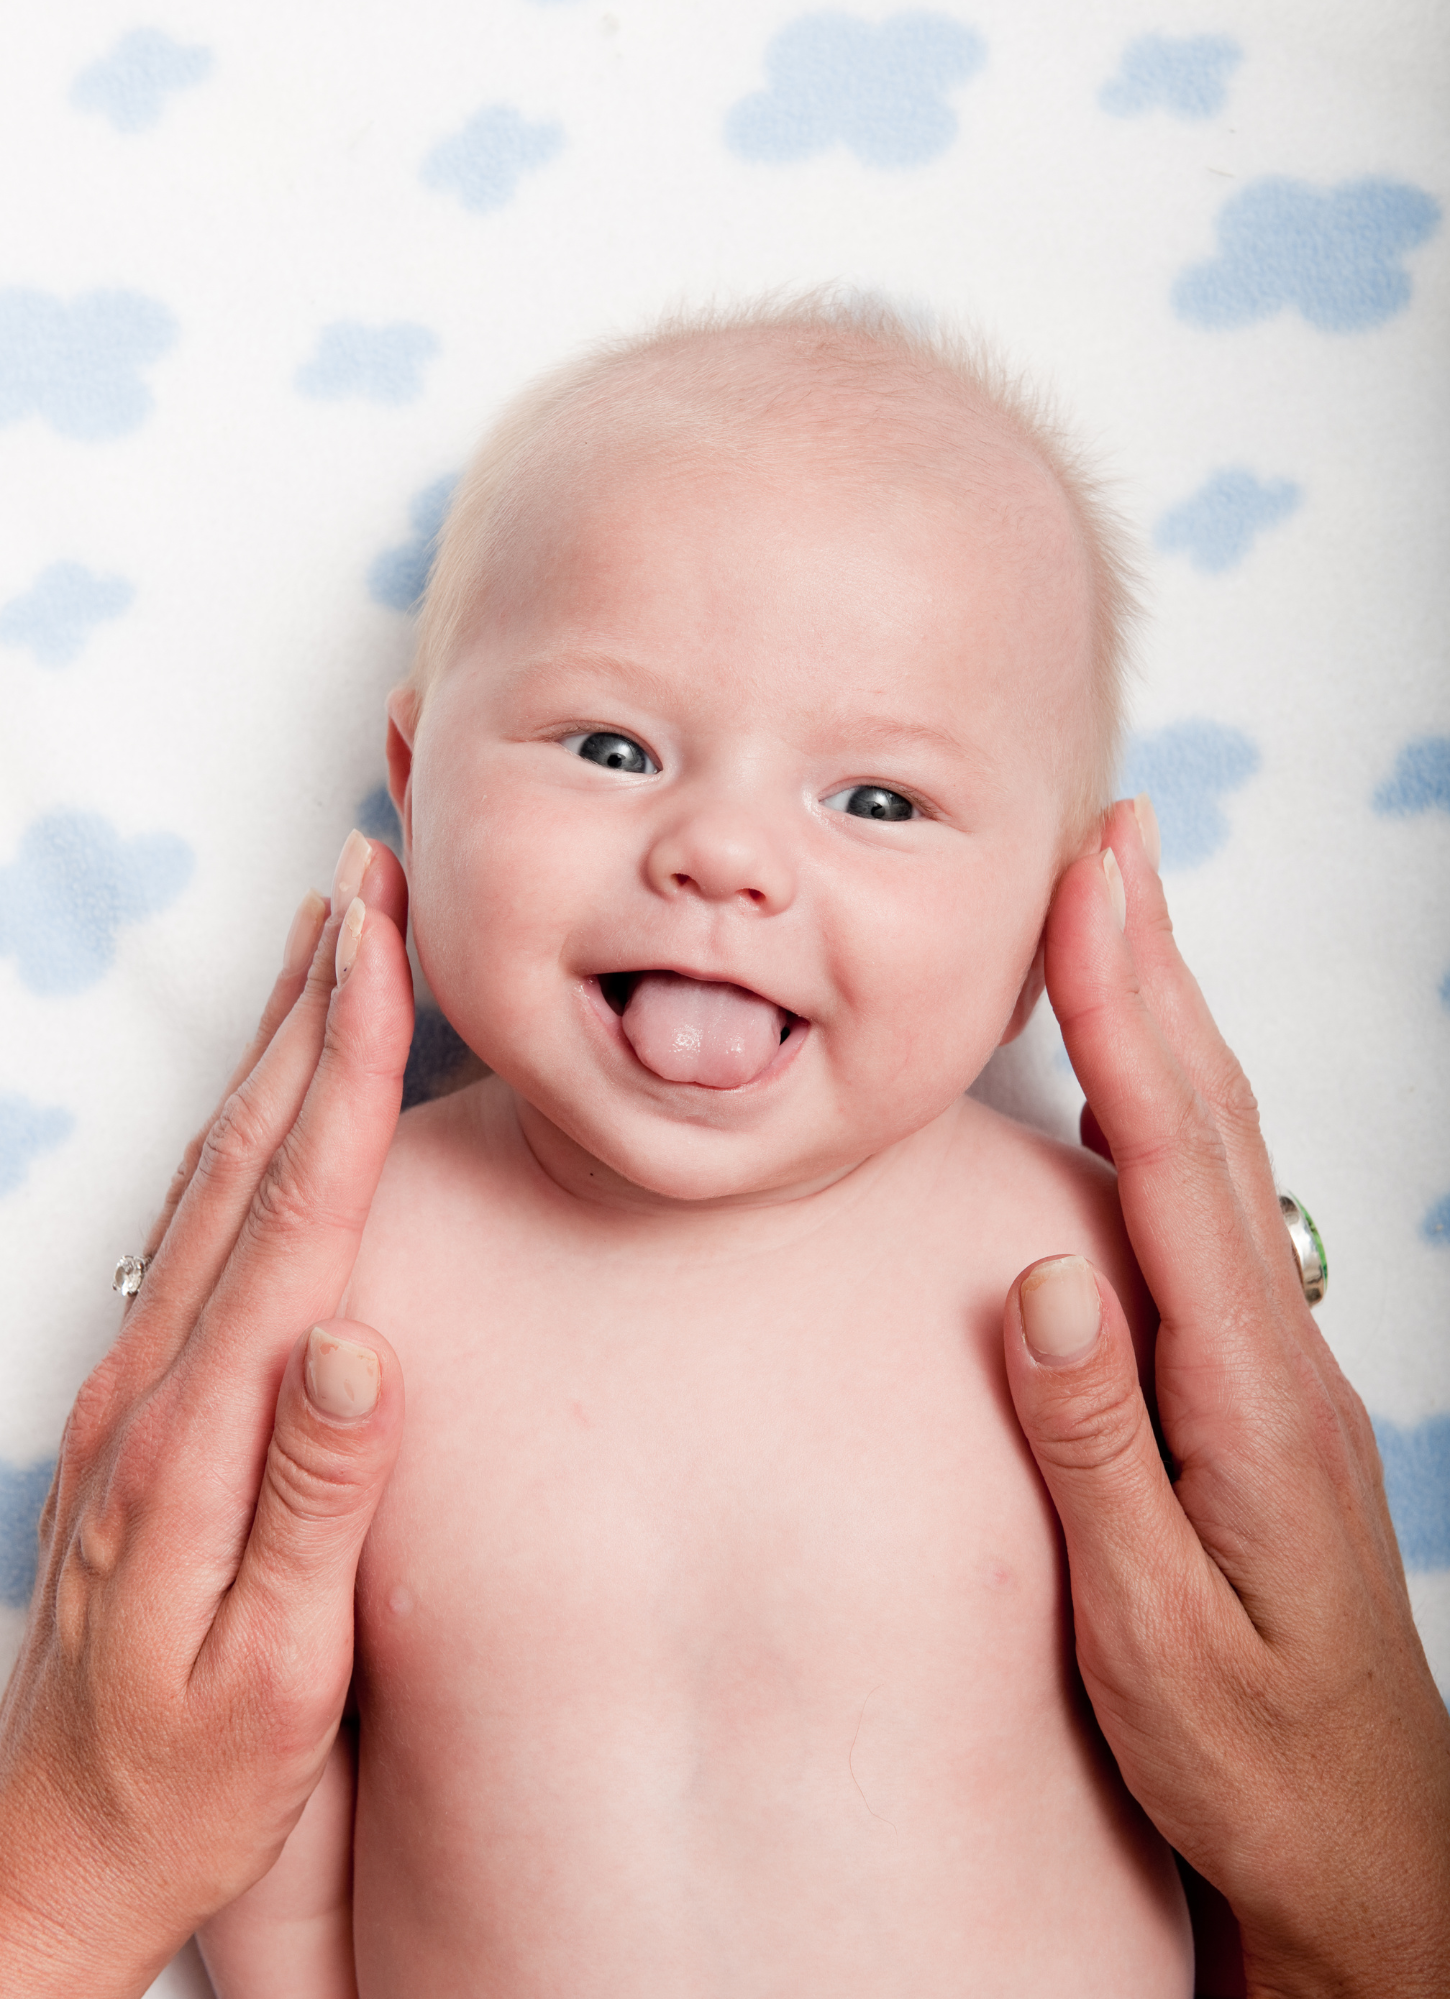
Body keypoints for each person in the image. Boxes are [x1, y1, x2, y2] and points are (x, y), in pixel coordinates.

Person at [2, 304, 1446, 1998]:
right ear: (414, 784)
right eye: (612, 749)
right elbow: (262, 1756)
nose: (724, 852)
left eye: (879, 802)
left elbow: (1243, 1790)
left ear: (1050, 919)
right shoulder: (341, 1269)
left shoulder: (1101, 1282)